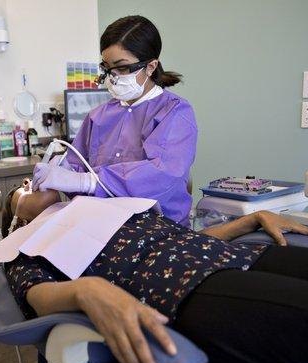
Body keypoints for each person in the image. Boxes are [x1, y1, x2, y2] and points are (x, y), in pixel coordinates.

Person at [4, 190, 308, 363]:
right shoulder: (22, 247)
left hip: (241, 255)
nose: (33, 183)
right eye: (19, 189)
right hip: (188, 289)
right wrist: (87, 290)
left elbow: (183, 237)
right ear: (12, 219)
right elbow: (38, 297)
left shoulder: (104, 207)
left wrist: (249, 220)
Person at [33, 16, 197, 226]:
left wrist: (88, 181)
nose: (113, 77)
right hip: (102, 225)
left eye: (122, 68)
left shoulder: (174, 112)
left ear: (150, 66)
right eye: (107, 68)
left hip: (158, 228)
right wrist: (62, 170)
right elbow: (77, 166)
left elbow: (161, 175)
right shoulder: (98, 116)